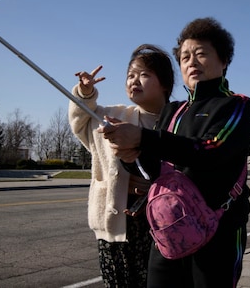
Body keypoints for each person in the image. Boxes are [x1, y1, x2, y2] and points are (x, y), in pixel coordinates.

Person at [99, 17, 250, 288]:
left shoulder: (237, 105)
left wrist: (143, 137)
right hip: (168, 231)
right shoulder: (173, 110)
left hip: (218, 230)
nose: (191, 62)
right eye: (184, 57)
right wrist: (130, 155)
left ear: (224, 60)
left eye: (201, 54)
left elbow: (212, 150)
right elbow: (155, 169)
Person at [68, 44, 175, 288]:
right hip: (119, 227)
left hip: (166, 224)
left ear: (165, 84)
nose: (134, 80)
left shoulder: (180, 120)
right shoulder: (113, 115)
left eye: (144, 74)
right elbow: (82, 118)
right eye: (130, 75)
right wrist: (85, 92)